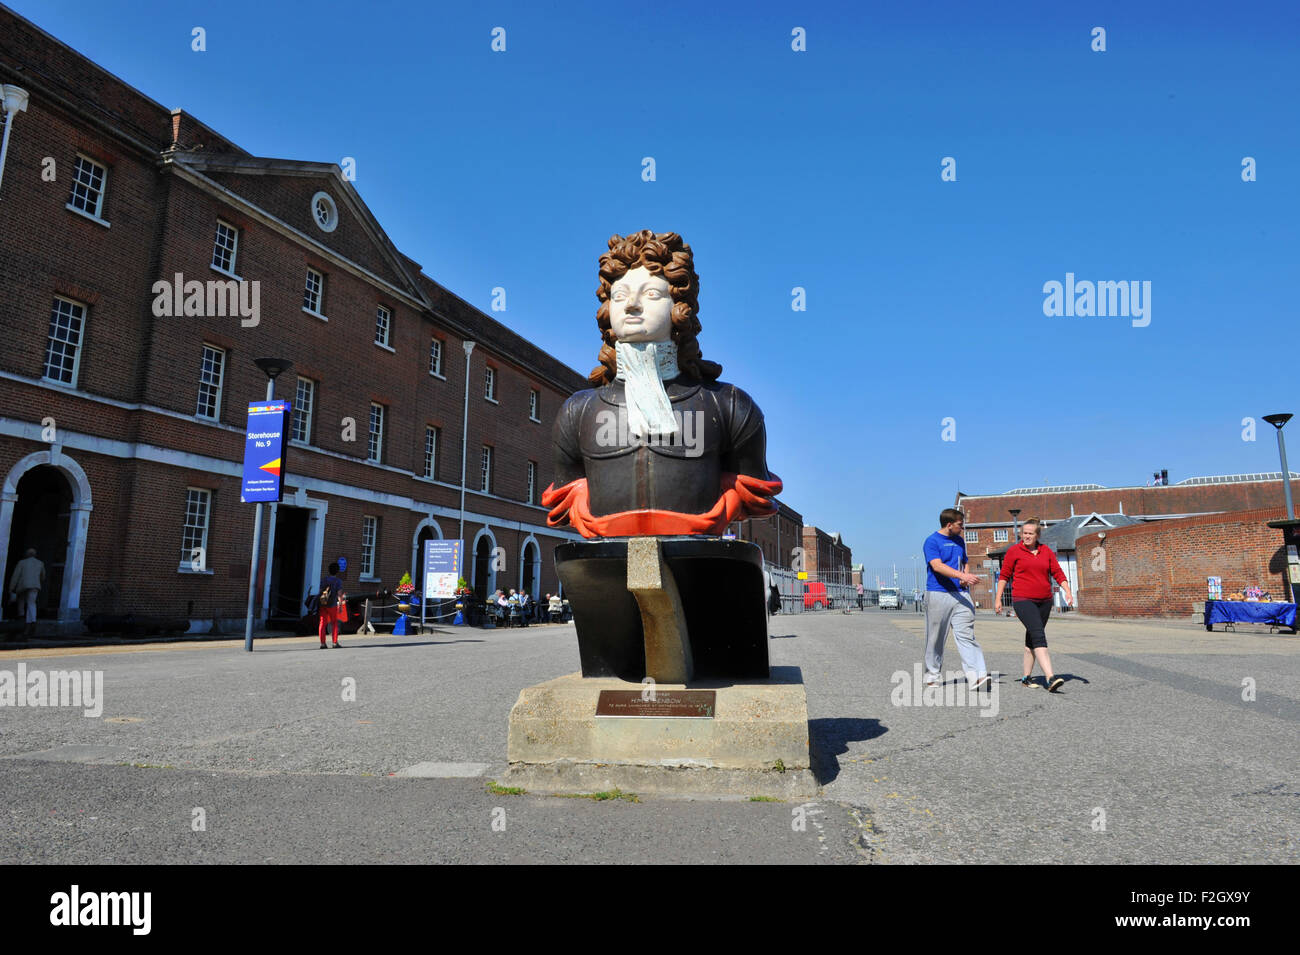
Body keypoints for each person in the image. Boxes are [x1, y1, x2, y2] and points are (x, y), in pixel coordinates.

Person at [993, 518, 1074, 692]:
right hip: (1023, 600)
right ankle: (1050, 677)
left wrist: (1067, 590)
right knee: (1039, 635)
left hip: (1045, 600)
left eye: (1030, 533)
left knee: (1031, 640)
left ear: (1037, 535)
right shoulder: (1014, 551)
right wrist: (998, 598)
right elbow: (1004, 576)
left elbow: (1057, 572)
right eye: (1024, 533)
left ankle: (1026, 677)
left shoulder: (1046, 551)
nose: (1026, 536)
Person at [922, 508, 990, 690]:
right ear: (949, 524)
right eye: (960, 525)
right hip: (938, 594)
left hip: (961, 594)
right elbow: (937, 566)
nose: (962, 528)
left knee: (967, 635)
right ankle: (932, 675)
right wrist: (963, 575)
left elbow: (965, 561)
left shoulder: (960, 541)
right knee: (935, 637)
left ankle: (977, 676)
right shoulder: (931, 541)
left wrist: (965, 576)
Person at [8, 547, 45, 638]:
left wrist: (11, 588)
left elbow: (16, 576)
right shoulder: (40, 563)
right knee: (31, 604)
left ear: (27, 554)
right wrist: (38, 581)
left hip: (23, 586)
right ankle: (32, 622)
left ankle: (21, 617)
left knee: (21, 601)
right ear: (35, 555)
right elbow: (43, 576)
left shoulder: (22, 563)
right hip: (34, 586)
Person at [318, 561, 345, 648]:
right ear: (337, 571)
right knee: (334, 623)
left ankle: (322, 643)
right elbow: (339, 594)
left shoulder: (324, 580)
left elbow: (320, 591)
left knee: (322, 623)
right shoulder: (338, 581)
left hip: (323, 604)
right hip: (332, 605)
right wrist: (340, 605)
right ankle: (334, 642)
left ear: (329, 570)